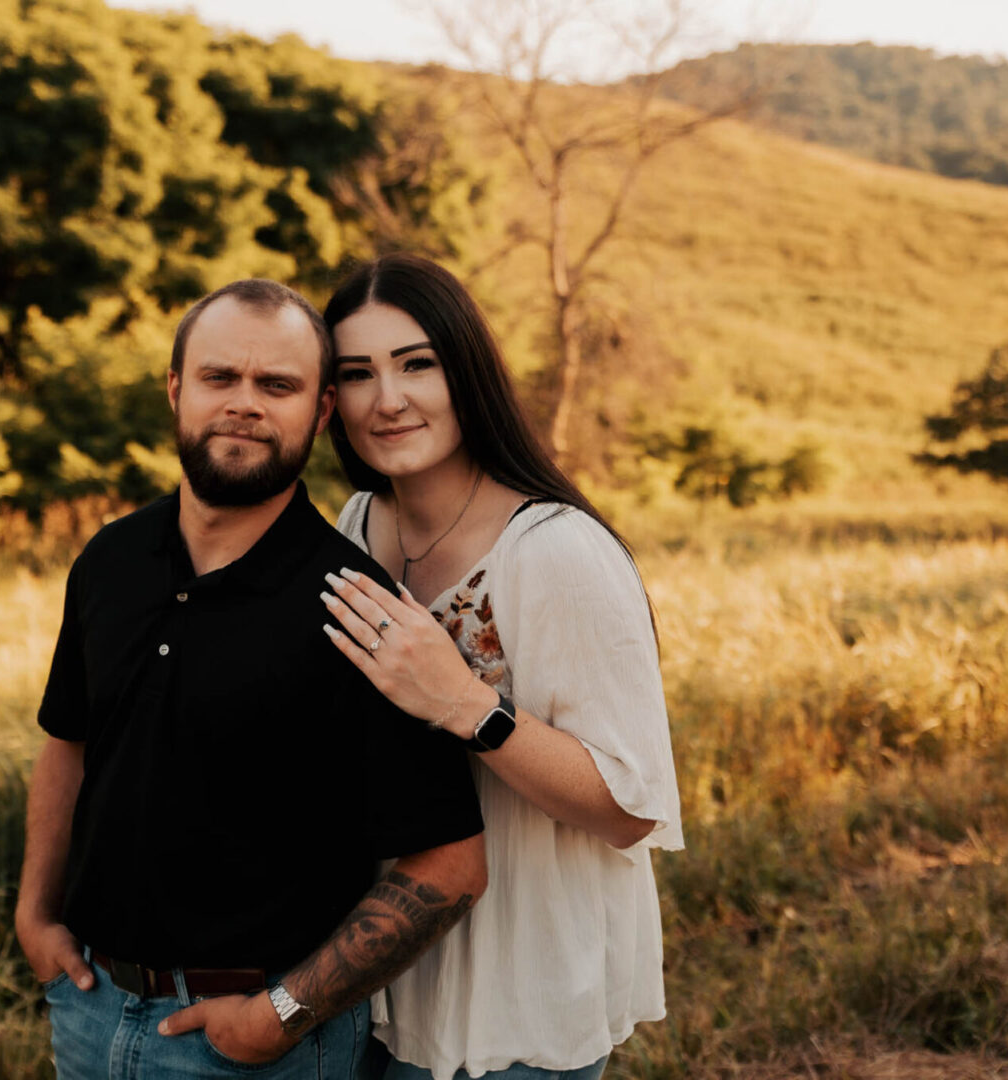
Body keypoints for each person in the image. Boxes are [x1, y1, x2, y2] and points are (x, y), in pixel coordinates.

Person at [15, 277, 488, 1080]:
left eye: (277, 385)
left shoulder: (358, 608)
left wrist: (283, 1015)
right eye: (218, 378)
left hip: (255, 1047)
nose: (244, 403)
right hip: (89, 1010)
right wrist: (34, 914)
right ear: (175, 390)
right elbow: (69, 744)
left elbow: (449, 865)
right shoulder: (110, 560)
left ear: (322, 410)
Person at [317, 254, 684, 1080]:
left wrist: (466, 704)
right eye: (357, 373)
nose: (388, 399)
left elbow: (630, 807)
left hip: (515, 986)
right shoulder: (355, 524)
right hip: (377, 966)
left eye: (417, 364)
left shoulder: (555, 551)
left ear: (467, 370)